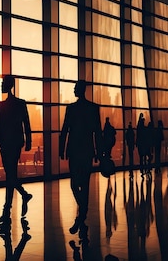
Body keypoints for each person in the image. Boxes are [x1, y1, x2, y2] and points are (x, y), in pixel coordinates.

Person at [59, 80, 103, 235]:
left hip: (75, 150)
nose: (74, 90)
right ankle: (82, 213)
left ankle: (81, 217)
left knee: (76, 184)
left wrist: (62, 148)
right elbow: (97, 132)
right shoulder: (92, 108)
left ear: (81, 90)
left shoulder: (71, 109)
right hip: (86, 151)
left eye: (75, 88)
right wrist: (99, 152)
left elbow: (65, 130)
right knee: (83, 184)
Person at [0, 75, 33, 223]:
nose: (1, 85)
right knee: (10, 175)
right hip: (11, 142)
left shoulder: (11, 105)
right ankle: (23, 194)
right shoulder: (11, 104)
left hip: (11, 143)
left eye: (3, 83)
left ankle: (6, 212)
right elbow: (0, 124)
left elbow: (25, 123)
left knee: (10, 175)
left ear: (9, 85)